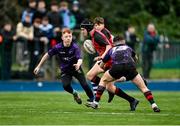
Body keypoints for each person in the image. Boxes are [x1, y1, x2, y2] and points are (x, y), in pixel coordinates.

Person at [86, 35, 160, 112]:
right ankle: (154, 105)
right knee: (144, 88)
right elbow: (136, 58)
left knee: (103, 80)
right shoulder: (128, 48)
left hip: (116, 67)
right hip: (130, 67)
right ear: (124, 42)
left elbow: (101, 65)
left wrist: (103, 69)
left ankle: (96, 102)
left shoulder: (112, 49)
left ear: (114, 43)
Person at [81, 17, 139, 111]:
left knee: (99, 80)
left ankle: (97, 97)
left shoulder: (97, 35)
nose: (82, 31)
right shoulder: (95, 35)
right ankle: (131, 100)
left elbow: (109, 46)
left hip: (110, 60)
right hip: (107, 59)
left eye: (83, 29)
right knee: (93, 77)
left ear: (87, 28)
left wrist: (102, 57)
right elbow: (110, 40)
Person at [34, 28, 94, 104]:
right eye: (66, 36)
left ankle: (92, 99)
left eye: (70, 36)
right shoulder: (58, 47)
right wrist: (39, 66)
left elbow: (80, 58)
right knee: (66, 86)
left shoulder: (75, 47)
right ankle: (75, 93)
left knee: (84, 84)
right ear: (62, 38)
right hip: (65, 70)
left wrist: (78, 64)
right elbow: (47, 55)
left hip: (76, 68)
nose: (68, 38)